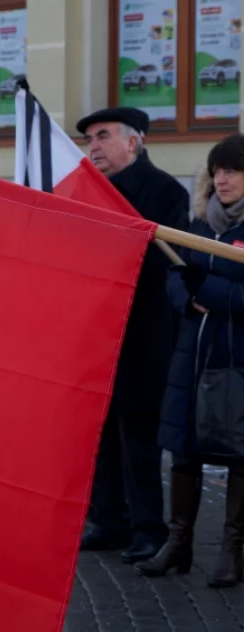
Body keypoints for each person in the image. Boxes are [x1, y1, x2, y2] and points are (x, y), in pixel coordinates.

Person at [75, 107, 190, 563]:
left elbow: (164, 262)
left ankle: (148, 527)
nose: (94, 147)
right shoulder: (90, 193)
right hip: (97, 332)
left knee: (138, 433)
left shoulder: (163, 190)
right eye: (89, 141)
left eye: (103, 136)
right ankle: (108, 519)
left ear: (134, 142)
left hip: (144, 332)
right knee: (99, 431)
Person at [135, 134, 244, 588]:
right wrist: (184, 296)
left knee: (240, 452)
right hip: (190, 356)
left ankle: (232, 551)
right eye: (217, 170)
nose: (223, 179)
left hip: (236, 358)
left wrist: (205, 290)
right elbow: (176, 277)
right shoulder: (199, 226)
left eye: (233, 170)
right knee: (184, 449)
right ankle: (178, 543)